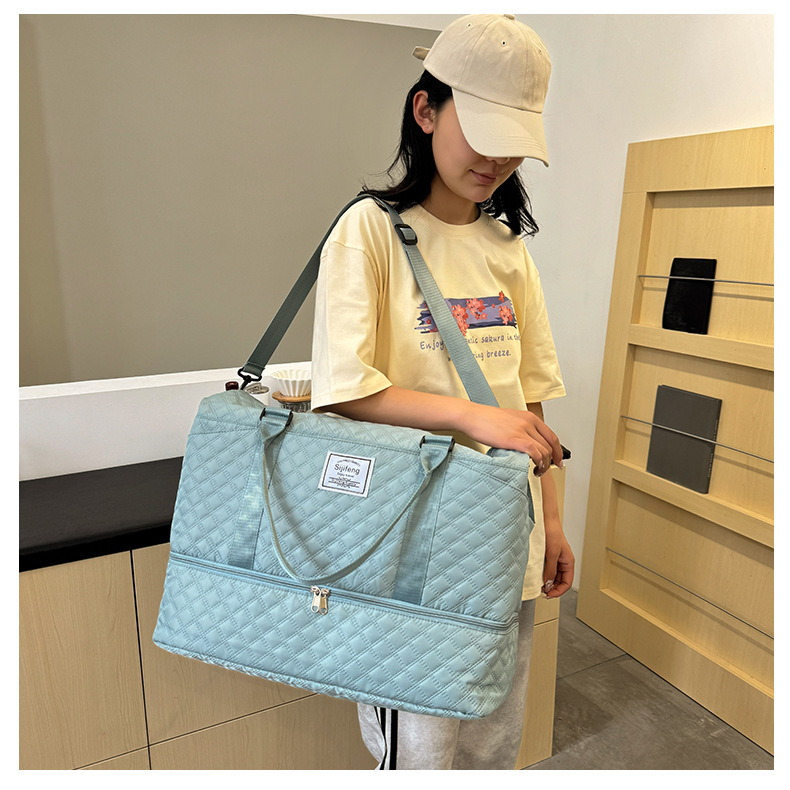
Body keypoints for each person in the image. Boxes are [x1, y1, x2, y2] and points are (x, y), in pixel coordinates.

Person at [310, 14, 574, 770]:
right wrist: (478, 420)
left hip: (503, 532)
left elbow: (531, 404)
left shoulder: (508, 250)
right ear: (425, 110)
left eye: (513, 140)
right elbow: (345, 389)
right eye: (482, 131)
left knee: (492, 742)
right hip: (406, 539)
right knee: (419, 755)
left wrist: (553, 523)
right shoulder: (369, 230)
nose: (497, 158)